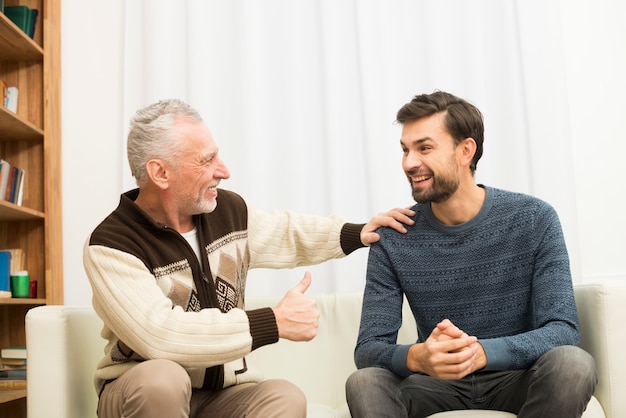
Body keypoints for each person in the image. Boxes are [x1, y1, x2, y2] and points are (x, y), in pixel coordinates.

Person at [82, 98, 414, 418]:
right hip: (139, 393)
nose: (223, 170)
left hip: (220, 394)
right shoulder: (112, 244)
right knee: (163, 382)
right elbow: (161, 334)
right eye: (206, 160)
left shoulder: (226, 211)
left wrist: (357, 232)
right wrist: (273, 321)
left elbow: (285, 232)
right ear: (160, 173)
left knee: (284, 398)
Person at [345, 91, 598, 418]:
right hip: (433, 385)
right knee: (364, 382)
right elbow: (368, 351)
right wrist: (418, 358)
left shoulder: (534, 218)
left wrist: (482, 352)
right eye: (405, 150)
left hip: (517, 378)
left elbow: (563, 331)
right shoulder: (394, 236)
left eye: (424, 148)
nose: (409, 162)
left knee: (573, 364)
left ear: (466, 150)